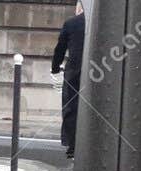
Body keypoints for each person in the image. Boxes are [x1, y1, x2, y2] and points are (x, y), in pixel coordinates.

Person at [51, 3, 86, 160]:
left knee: (71, 108)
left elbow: (60, 49)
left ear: (80, 8)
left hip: (74, 72)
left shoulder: (71, 23)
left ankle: (72, 145)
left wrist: (55, 68)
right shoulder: (104, 23)